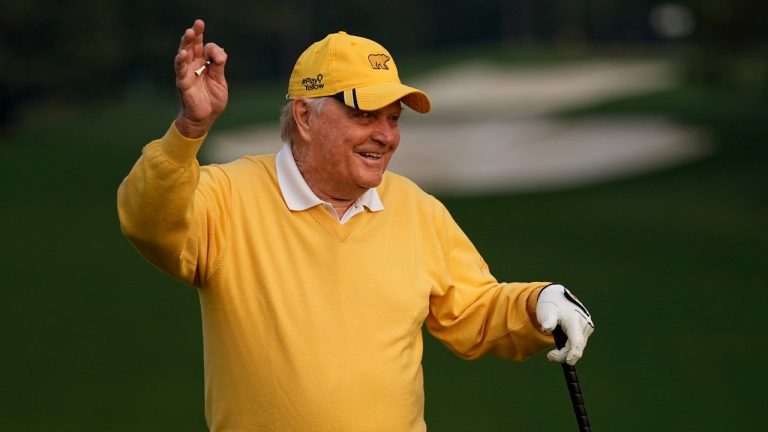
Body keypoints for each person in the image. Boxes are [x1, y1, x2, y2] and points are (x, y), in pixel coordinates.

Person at [117, 19, 594, 431]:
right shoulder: (228, 197)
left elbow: (475, 312)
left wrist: (537, 303)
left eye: (392, 118)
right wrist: (190, 130)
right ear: (304, 116)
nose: (385, 136)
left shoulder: (415, 209)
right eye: (365, 115)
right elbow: (148, 222)